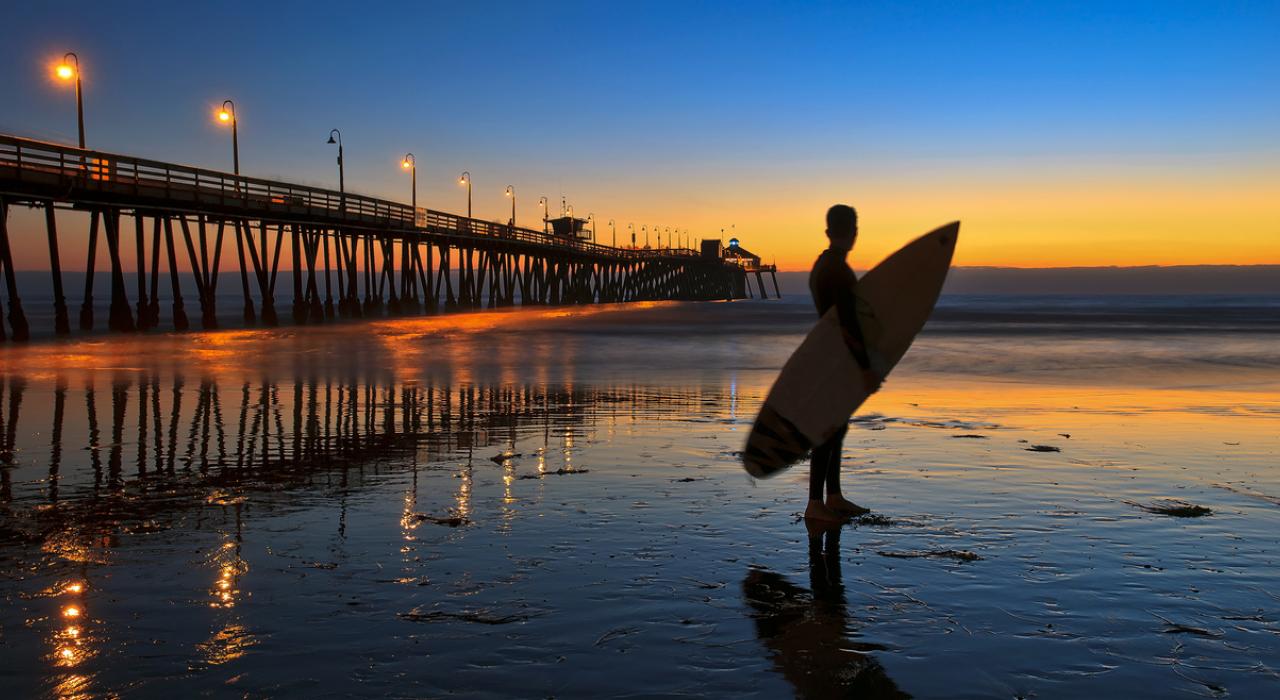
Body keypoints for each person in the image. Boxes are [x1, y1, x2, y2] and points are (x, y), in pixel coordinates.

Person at [805, 204, 882, 522]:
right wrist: (865, 366)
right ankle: (815, 503)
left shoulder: (822, 265)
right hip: (837, 356)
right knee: (828, 428)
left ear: (828, 232)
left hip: (826, 353)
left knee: (837, 426)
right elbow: (848, 323)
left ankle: (833, 496)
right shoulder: (837, 271)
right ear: (854, 232)